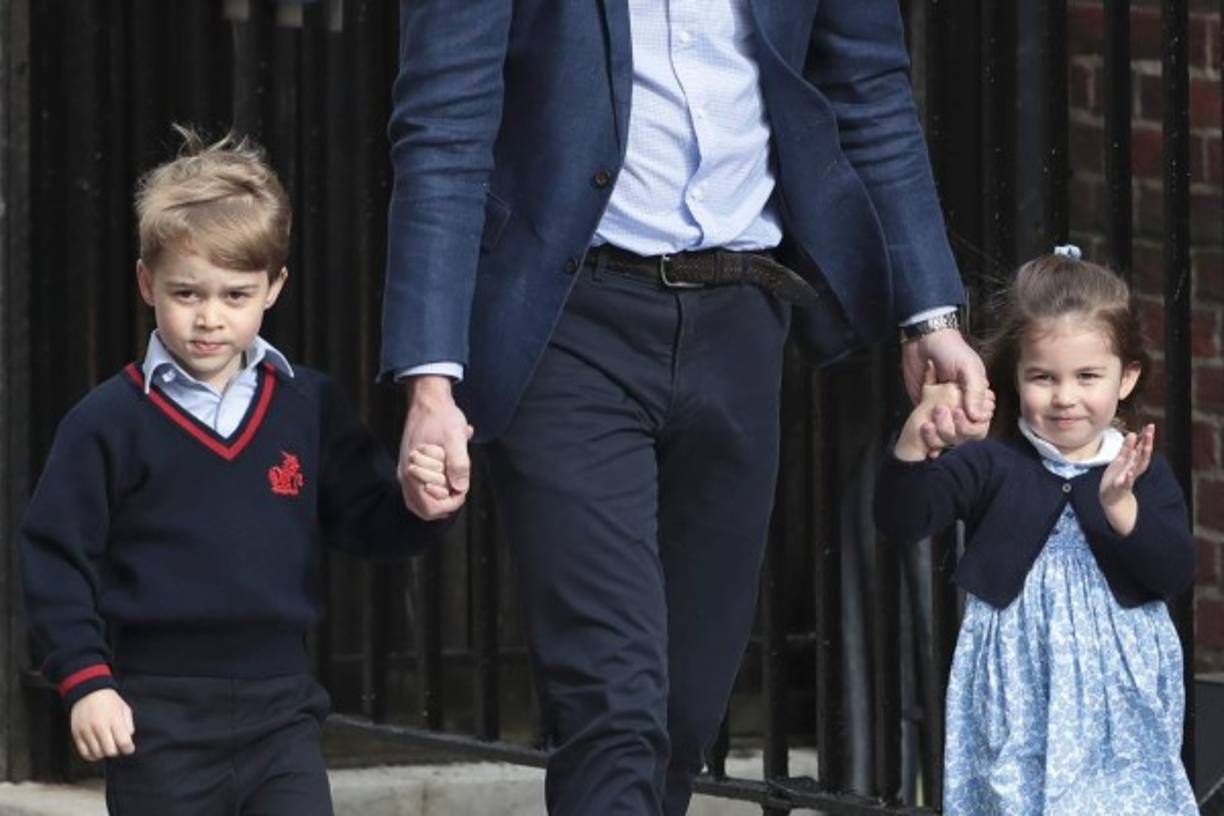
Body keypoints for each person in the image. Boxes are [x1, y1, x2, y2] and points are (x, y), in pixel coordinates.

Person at [382, 2, 989, 813]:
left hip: (742, 318)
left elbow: (871, 89)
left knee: (682, 710)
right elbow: (443, 128)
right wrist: (431, 384)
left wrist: (931, 315)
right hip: (568, 320)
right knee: (613, 705)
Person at [18, 127, 441, 816]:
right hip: (158, 718)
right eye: (187, 294)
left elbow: (368, 521)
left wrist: (421, 505)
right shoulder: (106, 422)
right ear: (146, 282)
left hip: (283, 712)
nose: (210, 318)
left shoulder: (310, 405)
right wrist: (87, 680)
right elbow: (56, 557)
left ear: (274, 286)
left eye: (235, 295)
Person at [875, 250, 1197, 815]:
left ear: (1128, 378)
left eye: (1088, 376)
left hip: (1117, 690)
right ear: (1015, 377)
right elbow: (903, 519)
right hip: (1014, 681)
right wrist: (914, 439)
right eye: (1043, 377)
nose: (1065, 397)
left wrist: (1121, 508)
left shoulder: (1137, 466)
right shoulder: (991, 462)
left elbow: (1174, 571)